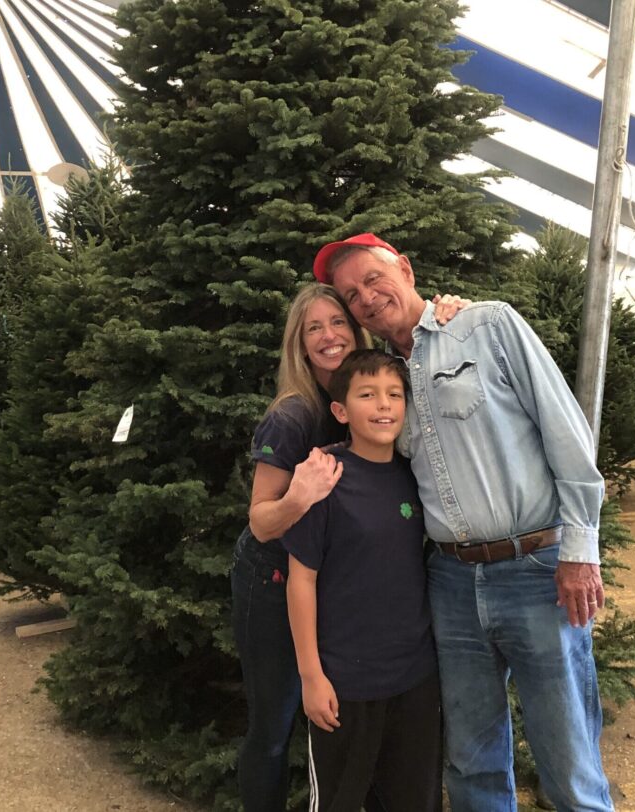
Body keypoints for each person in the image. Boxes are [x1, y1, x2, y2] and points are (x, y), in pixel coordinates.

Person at [313, 232, 614, 812]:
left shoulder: (486, 326)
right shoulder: (384, 379)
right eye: (352, 295)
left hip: (538, 569)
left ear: (404, 267)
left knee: (569, 760)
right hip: (450, 585)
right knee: (471, 762)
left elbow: (567, 434)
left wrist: (580, 551)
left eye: (375, 279)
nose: (367, 298)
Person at [231, 283, 465, 812]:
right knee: (274, 720)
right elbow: (263, 521)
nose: (328, 335)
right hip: (273, 577)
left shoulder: (374, 387)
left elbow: (417, 351)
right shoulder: (291, 416)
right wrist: (302, 495)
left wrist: (448, 312)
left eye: (337, 322)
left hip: (364, 614)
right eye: (313, 327)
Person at [283, 350, 442, 812]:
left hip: (415, 679)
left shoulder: (417, 477)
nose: (384, 406)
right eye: (367, 395)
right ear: (341, 410)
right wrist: (311, 676)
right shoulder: (324, 479)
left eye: (395, 394)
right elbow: (301, 581)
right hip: (345, 685)